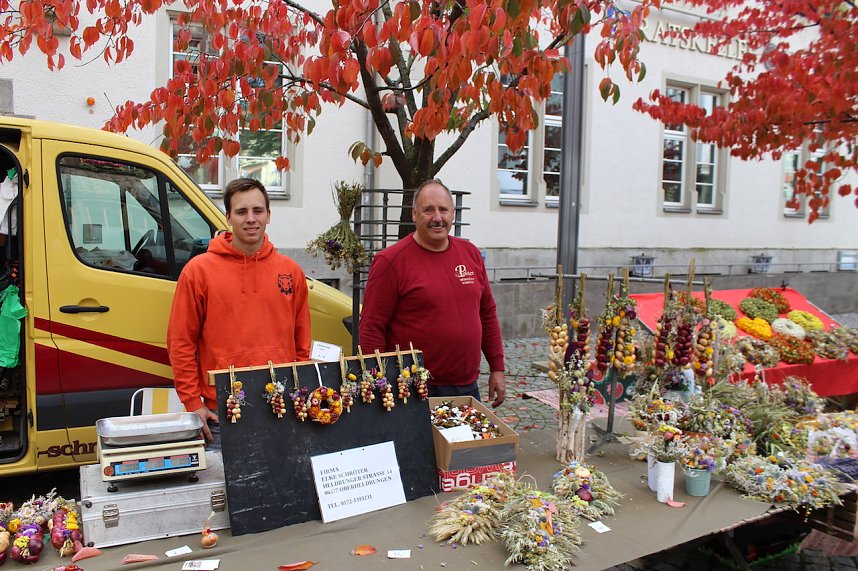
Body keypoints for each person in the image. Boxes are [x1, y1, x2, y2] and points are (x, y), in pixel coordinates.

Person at [167, 178, 311, 446]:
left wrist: (298, 390)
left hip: (280, 407)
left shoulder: (290, 272)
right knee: (224, 489)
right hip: (221, 412)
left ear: (269, 215)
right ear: (228, 217)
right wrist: (191, 402)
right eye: (241, 212)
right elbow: (181, 342)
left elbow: (301, 342)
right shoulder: (198, 272)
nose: (251, 219)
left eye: (258, 211)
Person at [359, 179, 506, 406]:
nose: (437, 218)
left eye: (443, 210)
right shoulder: (390, 261)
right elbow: (371, 328)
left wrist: (497, 367)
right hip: (412, 389)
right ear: (414, 215)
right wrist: (379, 382)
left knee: (464, 443)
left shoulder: (470, 253)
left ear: (453, 214)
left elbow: (486, 313)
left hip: (466, 385)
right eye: (428, 210)